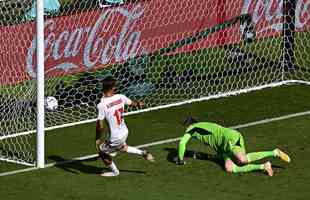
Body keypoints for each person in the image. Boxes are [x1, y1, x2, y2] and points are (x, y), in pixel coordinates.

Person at [176, 117, 291, 176]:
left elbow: (182, 143)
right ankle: (264, 166)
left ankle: (274, 152)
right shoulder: (201, 131)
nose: (186, 131)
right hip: (224, 147)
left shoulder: (195, 127)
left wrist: (180, 160)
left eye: (186, 128)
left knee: (242, 160)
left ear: (190, 125)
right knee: (229, 168)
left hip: (230, 138)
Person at [96, 76, 154, 177]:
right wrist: (139, 104)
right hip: (124, 131)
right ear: (114, 88)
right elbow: (133, 104)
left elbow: (100, 126)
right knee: (122, 147)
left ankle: (115, 172)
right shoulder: (121, 97)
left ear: (102, 88)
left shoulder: (102, 104)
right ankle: (143, 153)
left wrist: (97, 138)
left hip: (115, 136)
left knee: (101, 151)